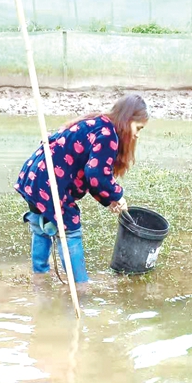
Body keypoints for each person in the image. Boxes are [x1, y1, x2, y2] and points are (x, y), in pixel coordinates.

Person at [15, 93, 148, 283]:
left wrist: (107, 199)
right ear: (128, 120)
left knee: (40, 226)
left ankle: (40, 276)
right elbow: (96, 175)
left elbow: (90, 174)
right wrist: (118, 195)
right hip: (51, 182)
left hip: (35, 176)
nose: (137, 134)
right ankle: (80, 285)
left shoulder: (97, 123)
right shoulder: (108, 135)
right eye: (138, 128)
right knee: (70, 230)